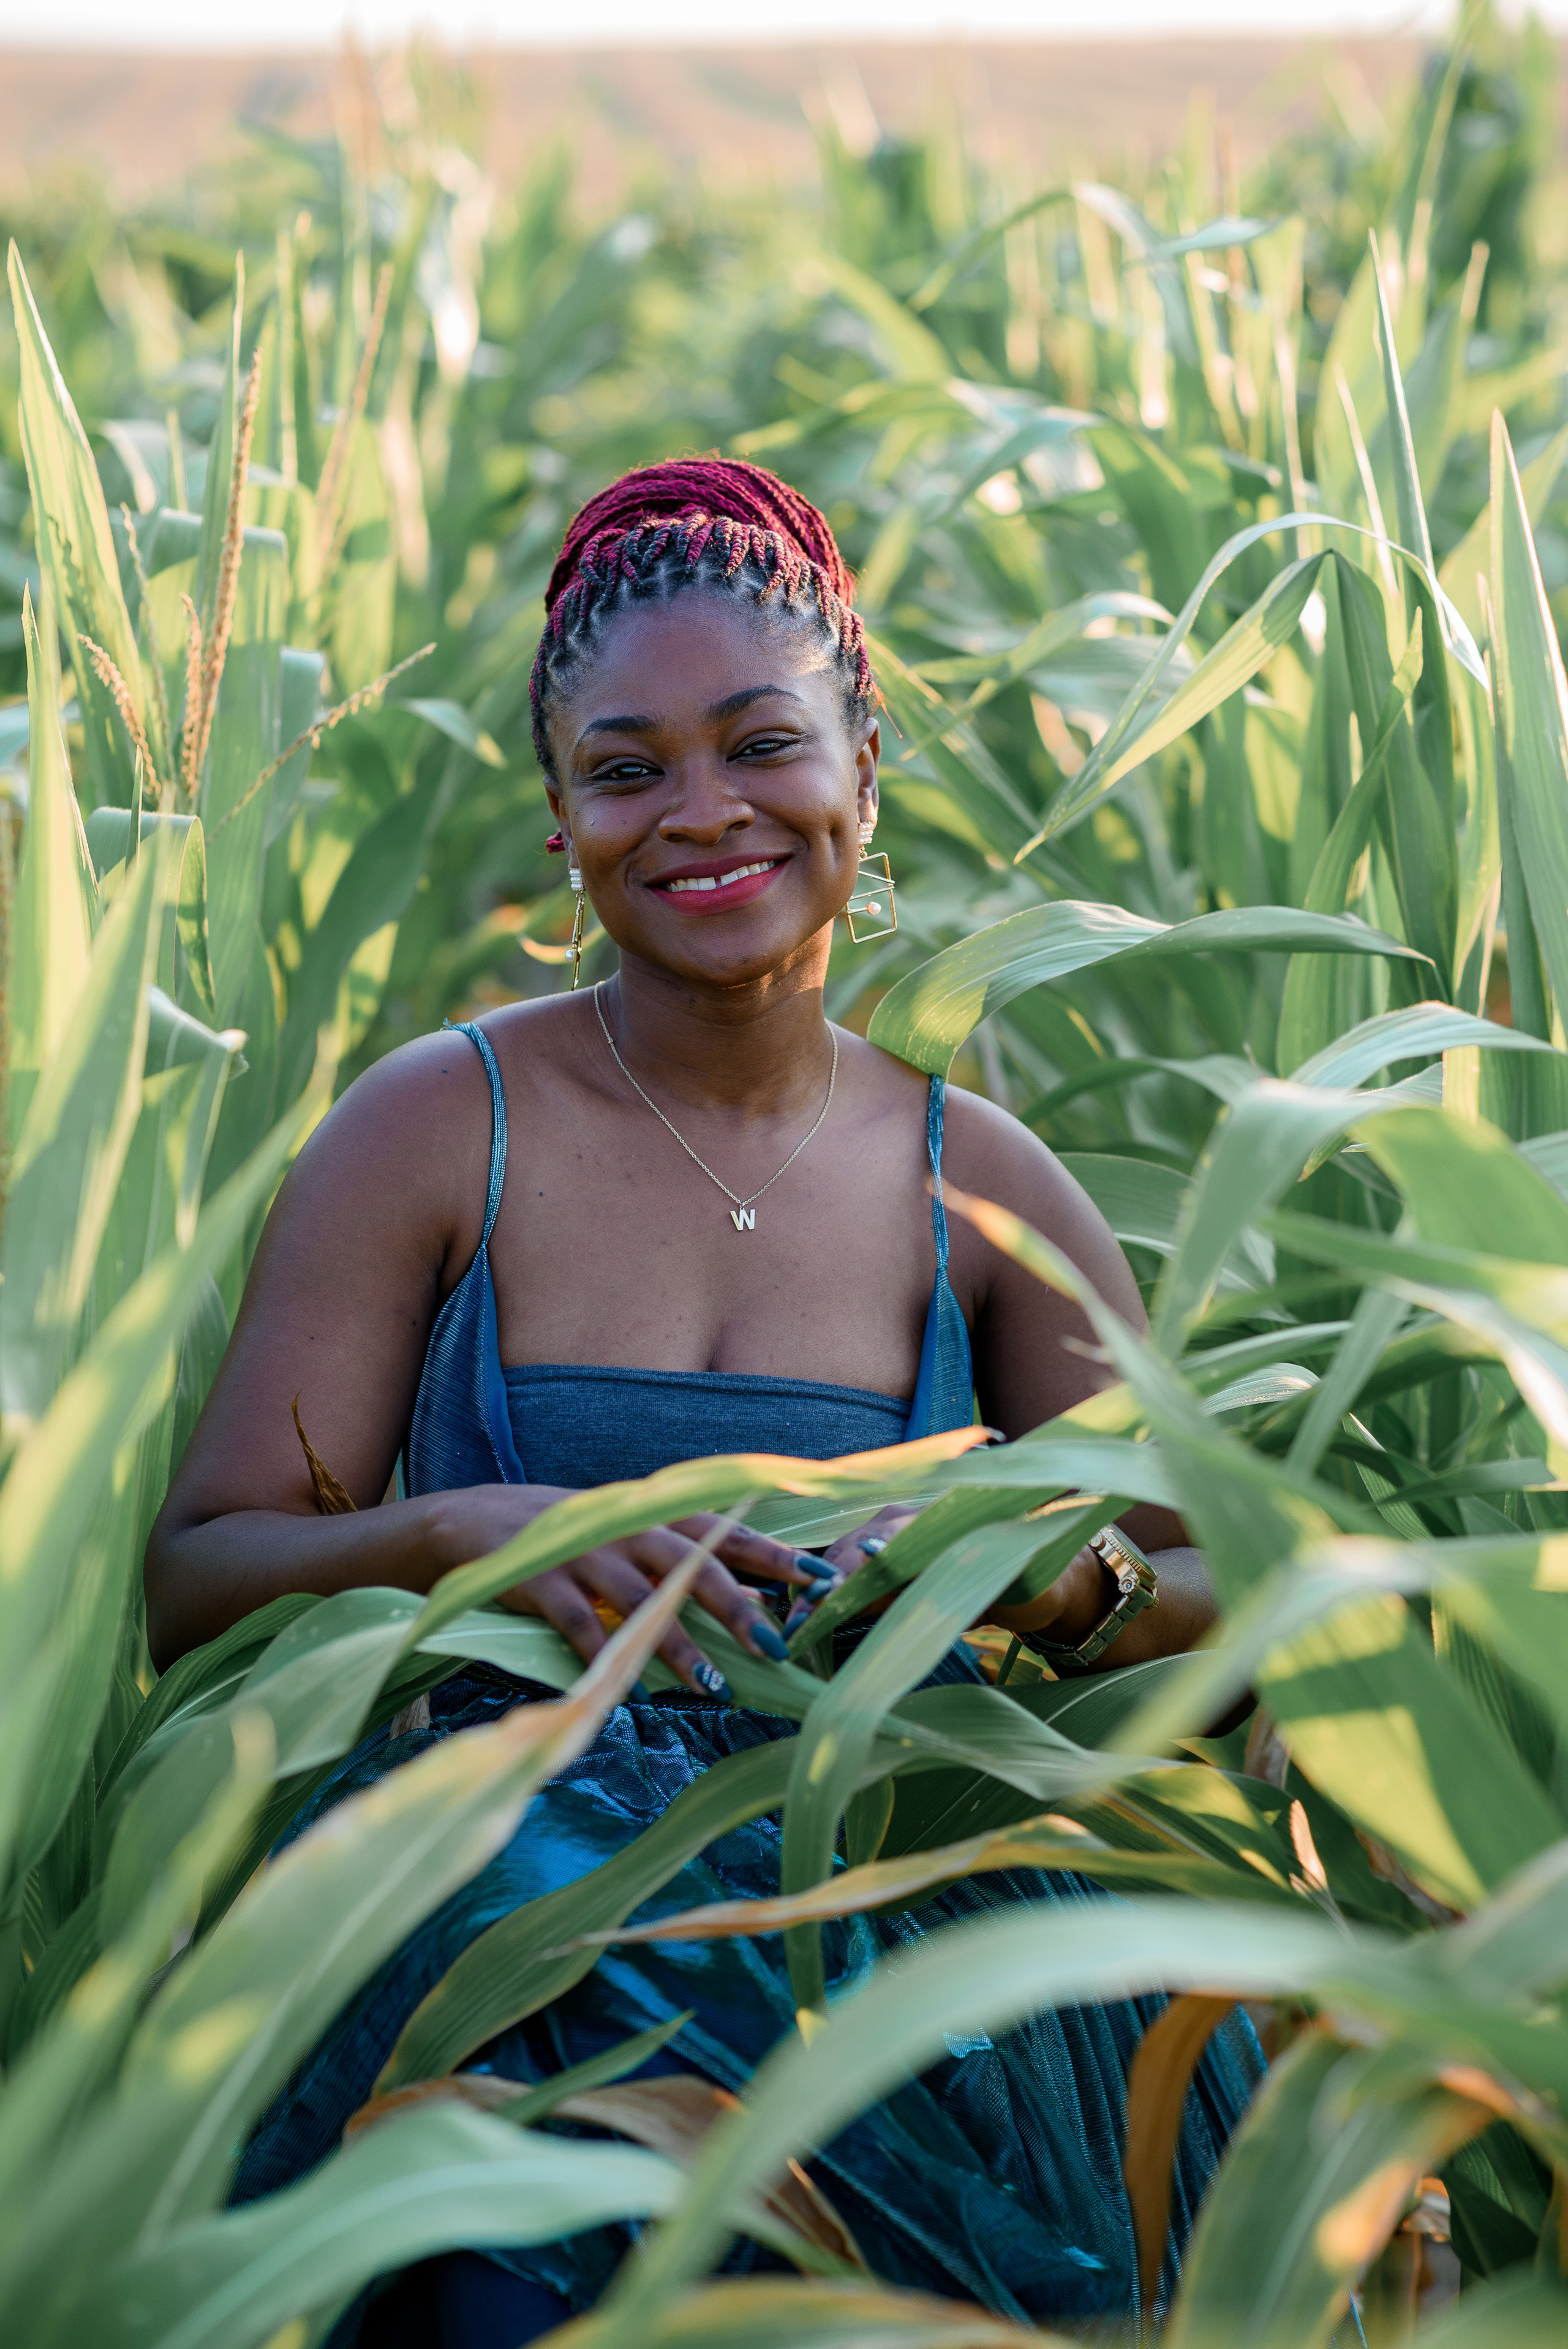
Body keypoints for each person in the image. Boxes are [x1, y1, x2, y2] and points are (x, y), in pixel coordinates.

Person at [146, 458, 1260, 2344]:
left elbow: (1233, 1618)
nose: (703, 814)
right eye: (627, 767)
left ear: (862, 757)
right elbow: (198, 1571)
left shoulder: (979, 1180)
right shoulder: (438, 1128)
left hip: (901, 1881)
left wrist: (1046, 1584)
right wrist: (466, 1535)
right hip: (517, 1880)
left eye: (760, 742)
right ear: (564, 815)